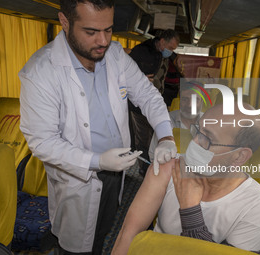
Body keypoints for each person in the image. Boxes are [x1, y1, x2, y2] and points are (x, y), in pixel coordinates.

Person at [19, 0, 177, 254]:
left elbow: (147, 96)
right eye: (91, 32)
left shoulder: (114, 55)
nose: (103, 41)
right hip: (78, 174)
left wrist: (166, 136)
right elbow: (42, 142)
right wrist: (97, 160)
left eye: (109, 30)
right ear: (65, 21)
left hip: (117, 170)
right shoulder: (40, 72)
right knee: (75, 243)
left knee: (103, 227)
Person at [112, 103, 260, 255]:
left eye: (208, 140)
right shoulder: (168, 169)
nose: (195, 143)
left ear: (240, 156)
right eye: (197, 131)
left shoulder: (258, 205)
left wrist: (190, 208)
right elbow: (128, 234)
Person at [128, 29, 180, 176]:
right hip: (139, 106)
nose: (171, 52)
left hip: (155, 102)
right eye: (170, 48)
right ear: (162, 41)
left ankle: (153, 162)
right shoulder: (141, 52)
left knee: (155, 135)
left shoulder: (161, 53)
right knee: (143, 138)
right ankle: (144, 168)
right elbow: (125, 74)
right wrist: (139, 78)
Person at [148, 82, 204, 161]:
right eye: (185, 99)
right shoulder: (165, 121)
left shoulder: (210, 123)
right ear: (179, 101)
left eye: (195, 100)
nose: (190, 105)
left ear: (201, 102)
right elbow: (153, 155)